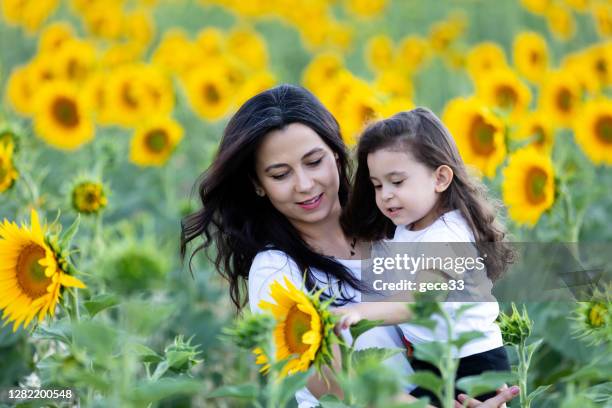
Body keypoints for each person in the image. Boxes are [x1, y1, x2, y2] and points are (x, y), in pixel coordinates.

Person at [181, 85, 517, 408]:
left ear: (337, 155)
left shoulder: (395, 228)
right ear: (258, 185)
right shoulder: (276, 270)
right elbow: (335, 385)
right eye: (280, 175)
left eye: (314, 162)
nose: (304, 184)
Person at [336, 108, 514, 404]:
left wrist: (359, 313)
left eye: (397, 181)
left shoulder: (450, 236)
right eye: (377, 185)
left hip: (473, 366)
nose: (385, 195)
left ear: (440, 178)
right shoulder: (408, 226)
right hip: (432, 361)